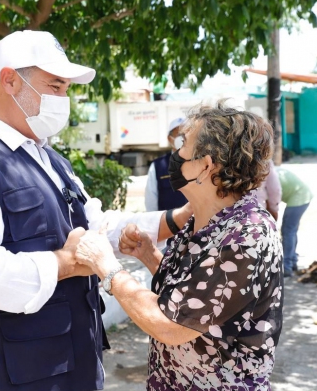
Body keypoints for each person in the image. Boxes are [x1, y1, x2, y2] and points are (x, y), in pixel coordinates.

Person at [0, 30, 191, 391]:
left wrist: (182, 217)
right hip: (0, 376)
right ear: (10, 80)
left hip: (70, 367)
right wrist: (66, 262)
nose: (65, 99)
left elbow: (96, 226)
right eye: (56, 86)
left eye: (66, 89)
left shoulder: (52, 160)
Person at [75, 102, 283, 390]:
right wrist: (149, 256)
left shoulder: (245, 236)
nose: (176, 153)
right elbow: (194, 292)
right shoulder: (205, 219)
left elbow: (170, 326)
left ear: (207, 165)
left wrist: (107, 268)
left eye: (185, 144)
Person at [145, 117, 188, 211]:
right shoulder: (158, 166)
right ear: (170, 138)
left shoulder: (198, 162)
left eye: (185, 134)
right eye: (179, 134)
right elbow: (151, 200)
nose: (182, 138)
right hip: (168, 223)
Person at [276, 168, 312, 277]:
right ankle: (292, 261)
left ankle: (286, 267)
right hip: (303, 194)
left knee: (288, 231)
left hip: (300, 196)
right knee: (290, 230)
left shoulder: (266, 177)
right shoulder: (271, 170)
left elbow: (272, 201)